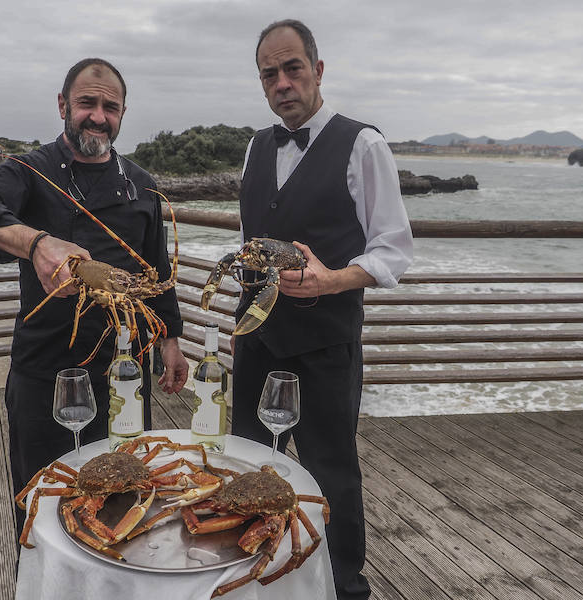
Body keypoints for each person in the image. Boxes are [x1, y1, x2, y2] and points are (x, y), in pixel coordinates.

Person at [0, 58, 189, 533]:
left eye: (110, 107)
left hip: (123, 370)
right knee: (41, 502)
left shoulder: (142, 184)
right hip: (45, 367)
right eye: (87, 103)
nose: (98, 116)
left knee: (125, 501)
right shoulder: (28, 170)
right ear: (62, 105)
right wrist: (35, 243)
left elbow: (157, 270)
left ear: (122, 113)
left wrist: (170, 339)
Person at [230, 20, 414, 599]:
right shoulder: (256, 146)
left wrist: (331, 279)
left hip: (328, 342)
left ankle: (342, 585)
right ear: (261, 83)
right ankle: (255, 574)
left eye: (293, 68)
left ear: (318, 70)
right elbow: (250, 238)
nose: (283, 82)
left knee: (331, 467)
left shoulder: (363, 144)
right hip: (257, 339)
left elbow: (393, 250)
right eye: (270, 74)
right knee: (250, 463)